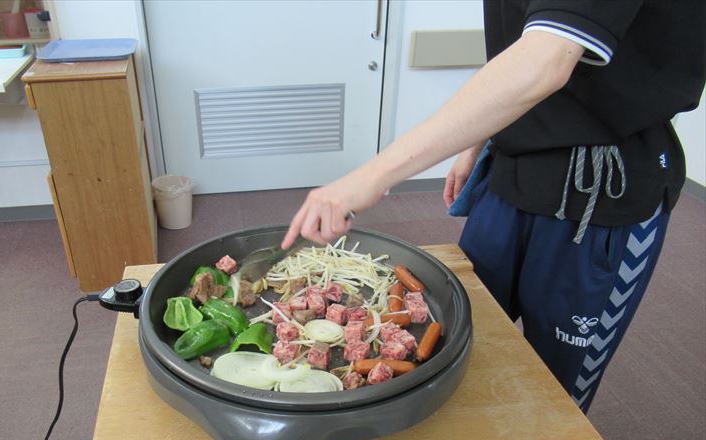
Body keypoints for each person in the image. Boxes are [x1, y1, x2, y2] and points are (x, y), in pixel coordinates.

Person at [282, 1, 705, 413]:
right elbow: (522, 43)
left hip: (600, 189)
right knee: (464, 334)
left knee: (555, 386)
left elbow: (547, 59)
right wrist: (478, 140)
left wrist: (372, 176)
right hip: (510, 169)